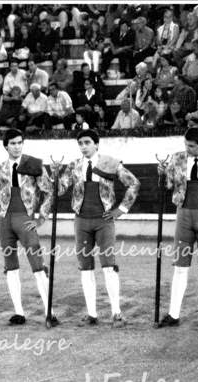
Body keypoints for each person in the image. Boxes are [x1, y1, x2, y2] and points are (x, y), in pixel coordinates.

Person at [54, 129, 140, 327]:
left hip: (104, 220)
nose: (83, 147)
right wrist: (56, 174)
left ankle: (116, 313)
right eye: (80, 143)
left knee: (109, 266)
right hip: (81, 221)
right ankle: (91, 314)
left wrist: (121, 209)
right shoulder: (73, 166)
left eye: (87, 142)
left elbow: (134, 183)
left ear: (96, 144)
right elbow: (59, 190)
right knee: (85, 268)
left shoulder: (110, 163)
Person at [0, 129, 56, 325]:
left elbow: (50, 191)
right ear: (6, 146)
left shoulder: (34, 164)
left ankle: (50, 311)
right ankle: (19, 312)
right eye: (13, 143)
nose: (17, 147)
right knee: (10, 266)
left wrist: (41, 218)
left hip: (25, 219)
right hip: (4, 220)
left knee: (38, 265)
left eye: (19, 143)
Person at [157, 127, 198, 328]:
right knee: (180, 267)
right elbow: (168, 185)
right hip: (184, 217)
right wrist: (162, 173)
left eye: (192, 146)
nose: (187, 149)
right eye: (186, 145)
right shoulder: (177, 158)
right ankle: (173, 314)